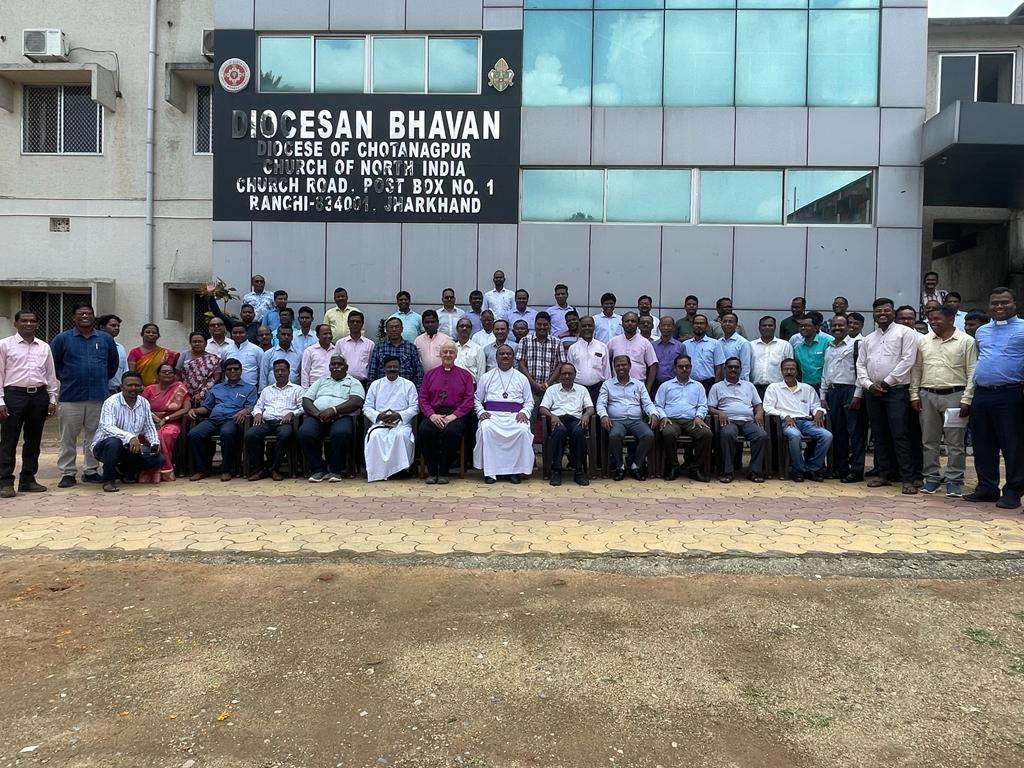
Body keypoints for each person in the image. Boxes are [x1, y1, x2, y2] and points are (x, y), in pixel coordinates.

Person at [965, 287, 1024, 508]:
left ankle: (1014, 490)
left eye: (1004, 303)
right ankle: (987, 487)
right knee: (982, 443)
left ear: (1014, 303)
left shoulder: (1023, 328)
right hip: (982, 393)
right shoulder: (982, 331)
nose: (999, 307)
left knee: (1013, 443)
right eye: (995, 303)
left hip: (1010, 394)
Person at [854, 297, 920, 495]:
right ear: (873, 314)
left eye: (886, 311)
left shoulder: (905, 333)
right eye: (878, 311)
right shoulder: (868, 338)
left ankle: (907, 478)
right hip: (873, 392)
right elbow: (860, 364)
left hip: (896, 391)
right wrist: (868, 384)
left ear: (893, 313)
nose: (882, 314)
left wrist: (887, 382)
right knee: (879, 434)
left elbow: (908, 360)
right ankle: (883, 473)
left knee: (900, 434)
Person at [51, 302, 119, 488]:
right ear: (73, 317)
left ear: (93, 316)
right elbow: (54, 365)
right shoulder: (62, 339)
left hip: (98, 395)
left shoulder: (105, 339)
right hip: (71, 395)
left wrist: (100, 378)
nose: (85, 316)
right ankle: (68, 472)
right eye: (80, 313)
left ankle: (90, 470)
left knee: (95, 435)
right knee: (68, 437)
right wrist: (67, 378)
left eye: (88, 313)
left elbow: (112, 366)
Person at [910, 305, 976, 498]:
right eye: (931, 319)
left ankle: (954, 479)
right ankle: (931, 477)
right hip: (927, 395)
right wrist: (914, 394)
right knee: (929, 440)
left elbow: (973, 371)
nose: (933, 322)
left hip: (955, 396)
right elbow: (916, 369)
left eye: (937, 319)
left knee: (955, 442)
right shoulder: (923, 341)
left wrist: (967, 398)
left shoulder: (966, 342)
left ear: (950, 320)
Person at [0, 310, 58, 498]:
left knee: (33, 441)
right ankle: (5, 482)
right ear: (16, 324)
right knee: (9, 440)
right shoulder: (4, 345)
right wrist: (0, 400)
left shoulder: (44, 347)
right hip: (13, 395)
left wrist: (52, 398)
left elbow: (50, 375)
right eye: (24, 321)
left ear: (37, 324)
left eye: (32, 321)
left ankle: (28, 479)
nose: (28, 324)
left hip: (38, 396)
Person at [90, 371, 164, 493]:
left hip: (130, 447)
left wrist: (154, 443)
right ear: (122, 386)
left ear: (142, 387)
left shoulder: (144, 402)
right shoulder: (111, 402)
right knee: (114, 443)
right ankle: (108, 480)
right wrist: (129, 437)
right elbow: (107, 427)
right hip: (104, 447)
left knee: (158, 459)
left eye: (137, 385)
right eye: (129, 385)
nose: (133, 388)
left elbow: (149, 427)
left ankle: (123, 470)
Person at [764, 359, 832, 483]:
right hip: (787, 423)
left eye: (792, 369)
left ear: (797, 371)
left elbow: (816, 405)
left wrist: (819, 411)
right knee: (795, 436)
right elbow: (767, 408)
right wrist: (784, 415)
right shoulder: (774, 388)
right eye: (786, 369)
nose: (789, 372)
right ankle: (799, 470)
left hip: (806, 422)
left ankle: (812, 468)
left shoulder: (807, 388)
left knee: (827, 435)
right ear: (781, 371)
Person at [188, 358, 256, 481]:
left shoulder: (249, 388)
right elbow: (207, 407)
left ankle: (226, 469)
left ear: (241, 371)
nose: (233, 371)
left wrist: (245, 411)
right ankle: (203, 470)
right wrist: (195, 410)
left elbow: (252, 406)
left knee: (227, 433)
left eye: (236, 369)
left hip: (232, 420)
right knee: (194, 434)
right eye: (229, 369)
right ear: (225, 372)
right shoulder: (217, 388)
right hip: (213, 419)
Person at [475, 344, 534, 484]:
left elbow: (529, 402)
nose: (505, 356)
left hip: (515, 417)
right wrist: (481, 411)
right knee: (486, 429)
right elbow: (477, 399)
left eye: (508, 354)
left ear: (513, 357)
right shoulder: (486, 377)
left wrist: (524, 412)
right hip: (492, 416)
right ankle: (490, 472)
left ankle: (515, 471)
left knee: (522, 431)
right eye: (502, 354)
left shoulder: (522, 378)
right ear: (496, 357)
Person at [300, 355, 365, 482]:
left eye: (339, 364)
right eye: (333, 364)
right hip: (318, 416)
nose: (336, 367)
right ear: (329, 367)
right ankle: (318, 469)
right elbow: (306, 400)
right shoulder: (321, 381)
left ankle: (335, 470)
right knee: (304, 432)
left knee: (341, 433)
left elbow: (356, 401)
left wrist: (333, 410)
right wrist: (318, 414)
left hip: (341, 416)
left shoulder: (353, 382)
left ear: (346, 367)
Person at [419, 341, 475, 484]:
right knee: (425, 430)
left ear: (456, 355)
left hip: (456, 415)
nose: (448, 355)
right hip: (434, 414)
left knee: (452, 433)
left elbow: (468, 400)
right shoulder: (430, 375)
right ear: (440, 354)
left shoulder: (465, 376)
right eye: (445, 352)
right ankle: (432, 472)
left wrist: (453, 416)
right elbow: (423, 398)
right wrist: (431, 415)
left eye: (451, 352)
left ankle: (444, 471)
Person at [598, 355, 660, 480]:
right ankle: (620, 466)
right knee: (615, 435)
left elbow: (647, 403)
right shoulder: (607, 385)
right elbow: (601, 404)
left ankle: (635, 465)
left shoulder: (639, 384)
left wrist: (653, 413)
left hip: (636, 421)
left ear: (630, 366)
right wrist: (603, 415)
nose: (621, 368)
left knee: (648, 435)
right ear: (614, 368)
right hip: (616, 421)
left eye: (624, 365)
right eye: (618, 365)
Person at [819, 315, 864, 483]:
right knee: (838, 432)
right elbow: (826, 372)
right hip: (833, 392)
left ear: (848, 327)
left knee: (855, 432)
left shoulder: (857, 345)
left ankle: (857, 469)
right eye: (834, 325)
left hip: (850, 391)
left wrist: (857, 395)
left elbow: (861, 371)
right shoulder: (830, 347)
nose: (837, 328)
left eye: (841, 325)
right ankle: (841, 468)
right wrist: (823, 395)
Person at [709, 357, 768, 483]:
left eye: (736, 367)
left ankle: (754, 471)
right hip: (729, 421)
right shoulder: (717, 387)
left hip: (748, 421)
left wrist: (759, 413)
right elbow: (710, 407)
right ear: (725, 369)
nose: (733, 369)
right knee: (728, 433)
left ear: (740, 370)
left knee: (761, 435)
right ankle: (728, 472)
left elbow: (758, 404)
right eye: (730, 367)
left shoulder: (749, 386)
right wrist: (719, 412)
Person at [656, 354, 712, 483]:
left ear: (691, 368)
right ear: (675, 368)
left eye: (687, 366)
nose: (684, 369)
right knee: (668, 433)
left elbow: (703, 405)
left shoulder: (698, 386)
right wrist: (663, 416)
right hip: (671, 420)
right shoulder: (666, 386)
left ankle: (695, 469)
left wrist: (699, 416)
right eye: (681, 366)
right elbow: (658, 405)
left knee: (706, 434)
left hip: (692, 421)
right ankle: (674, 467)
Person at [246, 358, 304, 481]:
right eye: (277, 371)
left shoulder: (297, 389)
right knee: (250, 434)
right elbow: (258, 406)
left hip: (284, 422)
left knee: (285, 434)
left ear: (289, 372)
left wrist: (292, 413)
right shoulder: (267, 390)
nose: (280, 373)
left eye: (283, 370)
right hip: (266, 422)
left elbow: (303, 407)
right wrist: (257, 413)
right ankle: (260, 469)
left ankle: (274, 469)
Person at [362, 357, 419, 483]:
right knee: (376, 436)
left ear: (399, 369)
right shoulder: (375, 385)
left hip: (401, 424)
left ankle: (400, 470)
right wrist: (379, 415)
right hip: (380, 423)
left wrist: (399, 415)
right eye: (389, 367)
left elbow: (415, 407)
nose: (392, 369)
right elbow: (367, 407)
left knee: (400, 436)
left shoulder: (408, 385)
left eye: (395, 367)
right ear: (384, 369)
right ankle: (378, 471)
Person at [540, 362, 594, 486]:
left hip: (576, 420)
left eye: (570, 373)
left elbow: (590, 407)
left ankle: (579, 471)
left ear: (575, 375)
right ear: (560, 375)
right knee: (559, 431)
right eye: (564, 373)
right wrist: (551, 416)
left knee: (579, 432)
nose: (567, 376)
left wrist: (586, 415)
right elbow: (543, 408)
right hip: (558, 420)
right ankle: (556, 470)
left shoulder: (582, 389)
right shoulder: (552, 390)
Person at [139, 363, 189, 483]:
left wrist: (165, 419)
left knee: (165, 435)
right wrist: (153, 421)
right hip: (149, 422)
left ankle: (164, 470)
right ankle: (148, 470)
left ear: (174, 375)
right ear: (157, 374)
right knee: (142, 435)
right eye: (164, 371)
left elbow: (186, 408)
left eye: (170, 372)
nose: (167, 374)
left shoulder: (179, 388)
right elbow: (141, 407)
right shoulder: (149, 389)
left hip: (171, 422)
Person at [517, 311, 565, 408]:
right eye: (539, 324)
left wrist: (547, 384)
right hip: (529, 388)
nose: (542, 327)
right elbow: (521, 365)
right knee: (530, 417)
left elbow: (560, 365)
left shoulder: (557, 342)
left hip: (551, 388)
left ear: (550, 326)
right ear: (534, 325)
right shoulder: (525, 340)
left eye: (545, 324)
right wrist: (534, 384)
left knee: (550, 418)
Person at [607, 311, 657, 393]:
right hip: (616, 386)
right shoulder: (613, 341)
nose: (630, 323)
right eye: (627, 321)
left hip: (638, 386)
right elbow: (605, 362)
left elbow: (653, 365)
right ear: (622, 323)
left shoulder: (645, 342)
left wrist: (648, 388)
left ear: (637, 324)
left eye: (633, 321)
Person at [566, 315, 610, 405]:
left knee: (597, 416)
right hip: (578, 389)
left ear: (594, 327)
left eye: (589, 326)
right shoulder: (573, 348)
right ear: (580, 328)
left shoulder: (602, 347)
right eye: (584, 326)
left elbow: (607, 372)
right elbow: (569, 371)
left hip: (598, 389)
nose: (587, 328)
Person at [368, 317, 424, 387]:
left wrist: (417, 390)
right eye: (391, 327)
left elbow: (418, 372)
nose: (394, 329)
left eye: (396, 327)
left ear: (402, 329)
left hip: (406, 390)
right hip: (383, 389)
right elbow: (372, 372)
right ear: (386, 330)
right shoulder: (379, 348)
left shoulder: (410, 347)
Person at [751, 316, 792, 398]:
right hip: (755, 388)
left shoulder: (785, 345)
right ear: (759, 328)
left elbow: (790, 368)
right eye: (764, 325)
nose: (767, 328)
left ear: (775, 327)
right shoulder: (751, 345)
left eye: (770, 325)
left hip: (778, 389)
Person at [683, 314, 724, 392]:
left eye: (702, 323)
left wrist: (716, 387)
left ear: (706, 326)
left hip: (708, 384)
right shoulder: (685, 345)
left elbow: (718, 367)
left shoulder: (715, 344)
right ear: (692, 325)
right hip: (689, 384)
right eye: (696, 323)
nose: (699, 325)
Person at [181, 332, 223, 406]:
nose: (197, 344)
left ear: (206, 344)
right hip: (186, 393)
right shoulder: (184, 355)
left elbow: (216, 378)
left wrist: (203, 392)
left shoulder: (213, 359)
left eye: (200, 341)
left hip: (207, 393)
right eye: (194, 342)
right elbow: (178, 374)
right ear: (190, 343)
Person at [334, 311, 374, 385]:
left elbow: (372, 365)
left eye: (358, 322)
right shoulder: (340, 343)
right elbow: (336, 364)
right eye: (352, 322)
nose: (355, 324)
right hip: (343, 382)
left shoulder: (370, 344)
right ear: (348, 323)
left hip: (363, 383)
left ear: (362, 324)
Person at [792, 314, 830, 391]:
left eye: (806, 326)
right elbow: (798, 370)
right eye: (801, 326)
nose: (803, 328)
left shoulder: (827, 341)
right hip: (805, 387)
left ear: (816, 328)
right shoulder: (798, 348)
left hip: (825, 387)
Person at [221, 323, 264, 389]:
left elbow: (262, 371)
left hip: (251, 389)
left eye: (241, 332)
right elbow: (223, 370)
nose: (238, 335)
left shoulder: (257, 350)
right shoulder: (225, 350)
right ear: (231, 334)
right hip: (229, 389)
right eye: (235, 333)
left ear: (247, 334)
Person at [716, 312, 752, 381]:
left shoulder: (743, 343)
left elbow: (745, 367)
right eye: (725, 321)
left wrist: (743, 384)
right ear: (721, 324)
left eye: (730, 322)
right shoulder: (718, 342)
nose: (727, 324)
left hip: (737, 383)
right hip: (721, 383)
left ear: (736, 325)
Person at [653, 315, 685, 391]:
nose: (666, 328)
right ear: (659, 327)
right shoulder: (652, 346)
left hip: (675, 384)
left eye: (669, 326)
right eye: (663, 325)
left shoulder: (680, 346)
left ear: (673, 328)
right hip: (656, 384)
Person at [96, 314, 127, 394]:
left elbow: (125, 370)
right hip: (100, 391)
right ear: (102, 327)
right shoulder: (95, 346)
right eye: (113, 325)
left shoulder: (120, 347)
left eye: (118, 326)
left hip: (117, 391)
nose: (116, 328)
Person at [454, 318, 486, 384]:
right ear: (457, 328)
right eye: (461, 326)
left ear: (471, 330)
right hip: (453, 386)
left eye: (467, 326)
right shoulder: (452, 348)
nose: (464, 328)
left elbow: (481, 373)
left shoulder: (478, 349)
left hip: (471, 387)